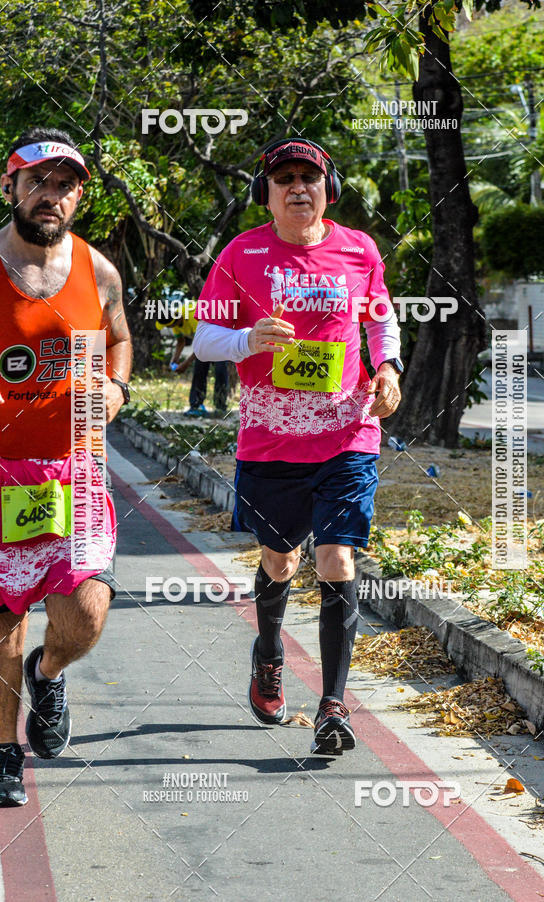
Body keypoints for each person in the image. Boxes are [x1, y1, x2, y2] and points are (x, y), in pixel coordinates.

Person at [193, 138, 402, 755]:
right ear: (268, 193)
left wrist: (387, 367)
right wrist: (247, 341)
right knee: (280, 561)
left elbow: (379, 316)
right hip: (271, 438)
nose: (297, 187)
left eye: (308, 177)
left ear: (326, 187)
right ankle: (267, 654)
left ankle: (334, 706)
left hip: (348, 432)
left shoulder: (358, 249)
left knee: (337, 561)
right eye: (283, 178)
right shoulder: (242, 252)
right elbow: (205, 339)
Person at [0, 127, 132, 806]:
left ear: (78, 196)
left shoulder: (98, 270)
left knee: (85, 611)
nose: (51, 195)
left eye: (64, 184)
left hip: (73, 470)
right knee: (3, 614)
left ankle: (48, 674)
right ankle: (3, 752)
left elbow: (119, 338)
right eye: (38, 181)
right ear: (10, 187)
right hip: (0, 469)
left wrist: (116, 386)